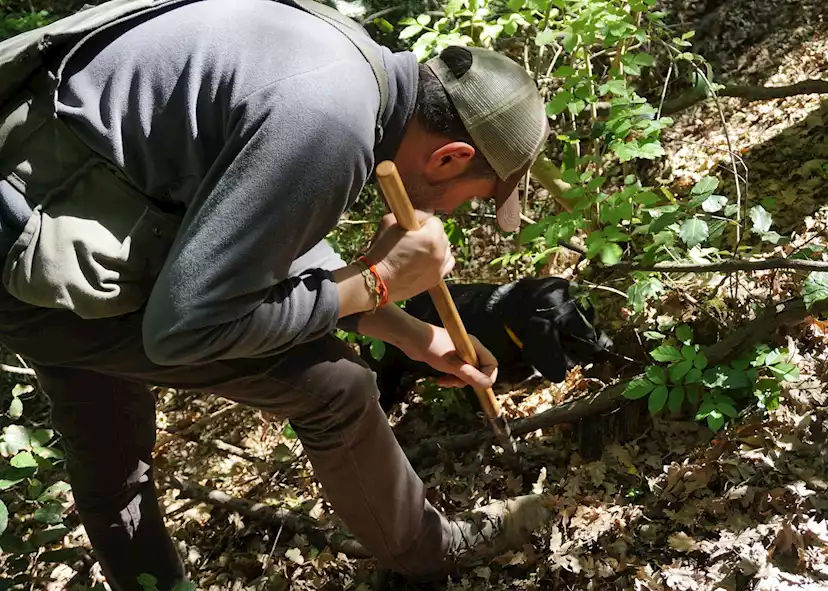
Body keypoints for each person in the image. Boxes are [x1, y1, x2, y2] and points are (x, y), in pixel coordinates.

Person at [0, 0, 551, 588]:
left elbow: (255, 233)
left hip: (54, 221)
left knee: (108, 441)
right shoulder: (330, 123)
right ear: (450, 157)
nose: (454, 210)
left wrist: (410, 332)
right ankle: (429, 550)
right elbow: (186, 330)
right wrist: (375, 280)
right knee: (335, 386)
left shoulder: (344, 60)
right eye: (473, 195)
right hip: (33, 254)